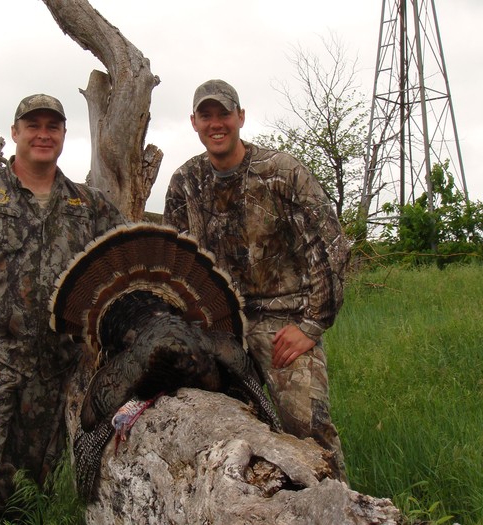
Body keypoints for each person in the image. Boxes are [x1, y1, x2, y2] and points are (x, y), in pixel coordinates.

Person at [0, 93, 125, 524]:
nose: (42, 134)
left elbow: (130, 264)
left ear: (63, 135)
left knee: (45, 474)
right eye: (32, 125)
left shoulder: (90, 206)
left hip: (62, 362)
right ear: (15, 132)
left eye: (51, 126)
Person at [163, 79, 350, 482]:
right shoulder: (185, 182)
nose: (217, 124)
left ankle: (340, 507)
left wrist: (311, 327)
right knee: (220, 437)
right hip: (217, 329)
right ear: (194, 122)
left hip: (284, 325)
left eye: (224, 114)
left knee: (308, 430)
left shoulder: (281, 172)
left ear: (240, 117)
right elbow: (176, 268)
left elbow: (332, 247)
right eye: (206, 115)